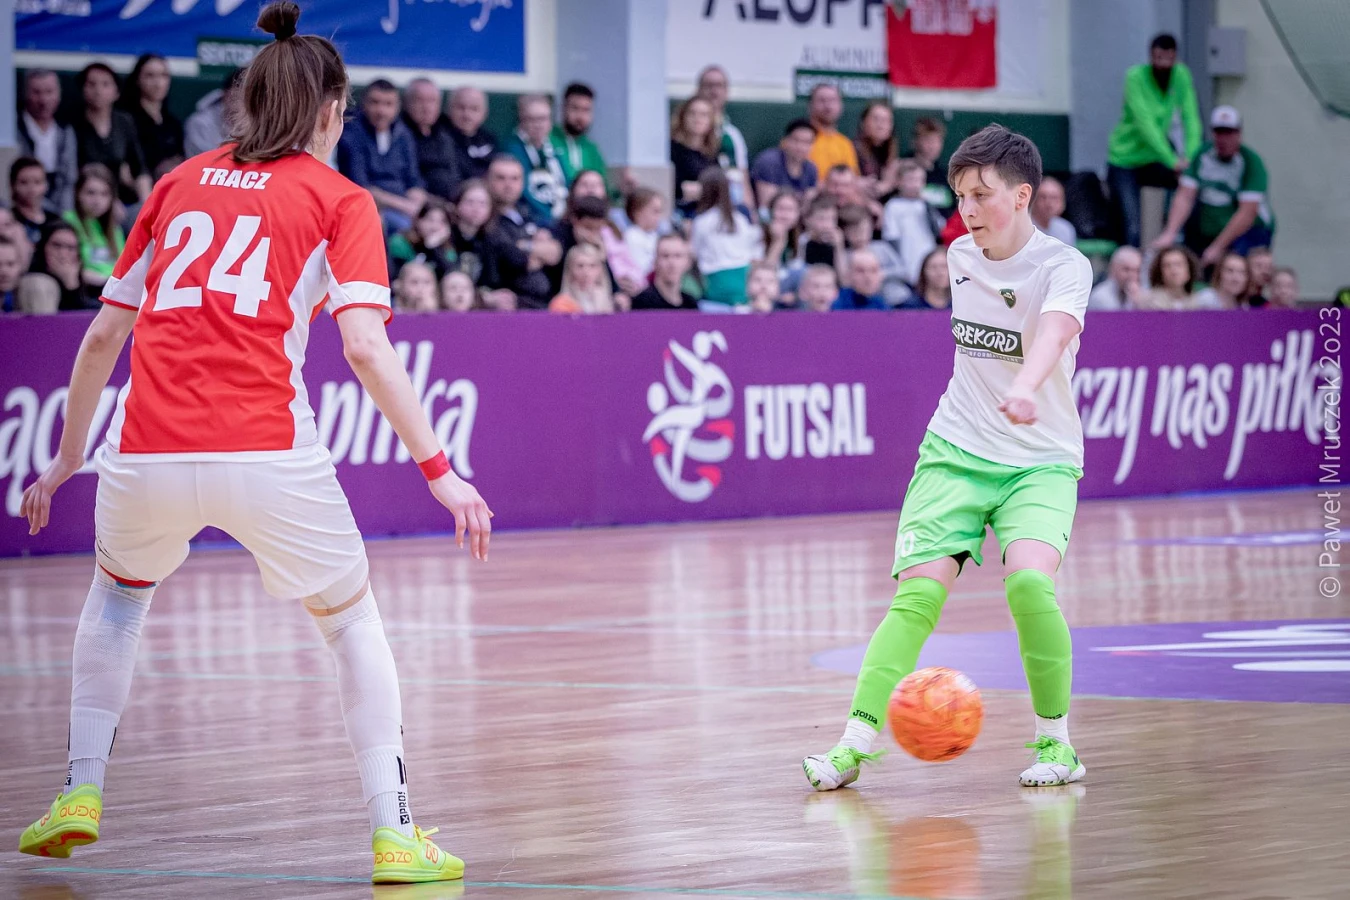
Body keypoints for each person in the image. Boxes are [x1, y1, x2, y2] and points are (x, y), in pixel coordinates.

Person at [15, 3, 487, 885]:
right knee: (351, 622)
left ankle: (79, 789)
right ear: (331, 113)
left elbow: (102, 337)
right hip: (268, 450)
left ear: (249, 102)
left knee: (116, 601)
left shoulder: (174, 183)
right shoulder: (341, 200)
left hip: (144, 449)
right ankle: (395, 833)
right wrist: (441, 471)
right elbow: (365, 347)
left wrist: (68, 456)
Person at [803, 125, 1093, 792]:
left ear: (1021, 196)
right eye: (959, 195)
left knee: (1029, 584)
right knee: (916, 597)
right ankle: (851, 747)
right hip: (954, 451)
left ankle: (1057, 743)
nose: (967, 208)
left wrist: (1026, 386)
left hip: (1041, 459)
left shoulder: (1063, 266)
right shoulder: (960, 254)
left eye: (981, 194)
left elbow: (1055, 333)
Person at [1106, 34, 1203, 248]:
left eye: (1168, 59)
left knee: (1191, 187)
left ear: (1175, 57)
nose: (1163, 64)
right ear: (1151, 56)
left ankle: (1185, 248)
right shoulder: (1135, 77)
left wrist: (1191, 159)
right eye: (1158, 58)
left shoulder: (1181, 75)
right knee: (1132, 227)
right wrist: (1173, 161)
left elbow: (1191, 117)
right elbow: (1146, 125)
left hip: (1155, 158)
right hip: (1125, 159)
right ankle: (1128, 263)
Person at [1151, 106, 1275, 268]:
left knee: (1237, 266)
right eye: (1219, 132)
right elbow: (1185, 196)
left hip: (1248, 231)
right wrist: (1170, 233)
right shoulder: (1202, 155)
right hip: (1209, 227)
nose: (1224, 139)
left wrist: (1218, 247)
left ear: (1239, 134)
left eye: (1229, 132)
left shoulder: (1251, 162)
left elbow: (1247, 212)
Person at [337, 80, 427, 235]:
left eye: (388, 104)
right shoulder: (351, 134)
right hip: (372, 207)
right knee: (405, 226)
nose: (381, 111)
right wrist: (405, 206)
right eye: (375, 102)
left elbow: (413, 179)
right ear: (364, 103)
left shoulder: (403, 133)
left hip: (405, 205)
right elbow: (360, 185)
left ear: (397, 107)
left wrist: (418, 202)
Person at [73, 63, 152, 208]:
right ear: (82, 89)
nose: (98, 91)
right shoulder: (73, 123)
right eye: (92, 84)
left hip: (121, 199)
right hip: (85, 199)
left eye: (105, 84)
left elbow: (139, 169)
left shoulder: (124, 121)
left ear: (116, 92)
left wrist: (147, 205)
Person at [689, 167, 758, 310]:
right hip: (743, 281)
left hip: (716, 282)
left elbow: (693, 253)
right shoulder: (741, 219)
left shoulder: (701, 221)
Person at [17, 69, 79, 213]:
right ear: (25, 93)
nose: (43, 100)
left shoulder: (65, 131)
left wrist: (64, 215)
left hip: (60, 209)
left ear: (59, 94)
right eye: (36, 92)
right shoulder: (14, 129)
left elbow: (68, 179)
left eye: (49, 92)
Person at [62, 164, 126, 295]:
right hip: (83, 291)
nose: (97, 201)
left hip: (113, 292)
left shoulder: (115, 228)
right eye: (90, 193)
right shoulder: (67, 222)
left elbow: (123, 268)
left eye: (104, 194)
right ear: (77, 193)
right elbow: (68, 268)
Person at [504, 94, 566, 224]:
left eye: (543, 119)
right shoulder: (512, 149)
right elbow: (522, 192)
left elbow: (568, 182)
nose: (539, 125)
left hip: (562, 215)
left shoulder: (556, 147)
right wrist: (549, 218)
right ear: (522, 120)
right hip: (531, 218)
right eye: (532, 119)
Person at [122, 54, 185, 179]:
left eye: (163, 75)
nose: (158, 83)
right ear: (137, 79)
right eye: (150, 75)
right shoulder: (126, 119)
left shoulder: (173, 123)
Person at [402, 79, 463, 202]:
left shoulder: (445, 135)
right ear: (407, 103)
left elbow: (455, 173)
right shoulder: (399, 135)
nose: (427, 107)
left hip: (451, 201)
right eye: (420, 100)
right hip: (418, 202)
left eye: (432, 101)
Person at [750, 119, 818, 212]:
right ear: (785, 141)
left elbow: (808, 206)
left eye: (807, 142)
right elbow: (768, 205)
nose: (800, 147)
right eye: (796, 140)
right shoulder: (769, 162)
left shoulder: (811, 169)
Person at [550, 82, 607, 189]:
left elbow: (604, 188)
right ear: (563, 108)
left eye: (586, 110)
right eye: (575, 108)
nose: (580, 117)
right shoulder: (548, 140)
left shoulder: (592, 150)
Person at [669, 98, 720, 217]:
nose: (697, 119)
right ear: (683, 117)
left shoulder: (713, 155)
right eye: (692, 113)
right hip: (680, 211)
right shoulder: (671, 150)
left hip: (710, 211)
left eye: (704, 115)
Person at [184, 68, 244, 158]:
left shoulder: (258, 125)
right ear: (226, 93)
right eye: (239, 94)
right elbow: (205, 160)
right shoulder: (200, 124)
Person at [631, 234, 699, 311]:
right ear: (655, 262)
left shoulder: (691, 304)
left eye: (678, 256)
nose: (672, 263)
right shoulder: (641, 303)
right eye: (665, 256)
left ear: (688, 262)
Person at [806, 84, 858, 176]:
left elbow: (852, 179)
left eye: (833, 100)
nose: (828, 106)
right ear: (810, 106)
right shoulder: (798, 140)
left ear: (841, 106)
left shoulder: (845, 143)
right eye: (822, 100)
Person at [446, 87, 497, 180]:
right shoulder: (441, 139)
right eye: (461, 108)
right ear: (449, 109)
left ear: (484, 113)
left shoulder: (489, 139)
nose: (467, 115)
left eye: (474, 109)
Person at [854, 101, 901, 201]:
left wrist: (888, 184)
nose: (880, 125)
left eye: (886, 121)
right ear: (863, 123)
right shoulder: (851, 149)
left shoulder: (891, 153)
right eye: (876, 119)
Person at [1137, 245, 1208, 310]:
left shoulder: (1199, 303)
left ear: (1189, 270)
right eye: (1167, 266)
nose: (1174, 271)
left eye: (1179, 265)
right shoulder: (1148, 302)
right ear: (1159, 272)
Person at [10, 157, 54, 244]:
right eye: (24, 182)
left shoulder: (55, 220)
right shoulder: (8, 221)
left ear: (46, 185)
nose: (31, 189)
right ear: (13, 185)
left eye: (37, 182)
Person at [1087, 246, 1143, 311]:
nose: (1132, 275)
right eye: (1126, 270)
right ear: (1113, 269)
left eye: (1137, 271)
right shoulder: (1100, 296)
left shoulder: (1141, 294)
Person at [898, 246, 952, 310]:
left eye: (944, 267)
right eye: (933, 267)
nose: (940, 273)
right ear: (924, 272)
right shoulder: (910, 306)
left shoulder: (960, 305)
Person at [1031, 176, 1077, 246]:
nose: (1049, 204)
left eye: (1054, 198)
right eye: (1043, 197)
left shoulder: (1066, 229)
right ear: (1032, 200)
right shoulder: (1022, 227)